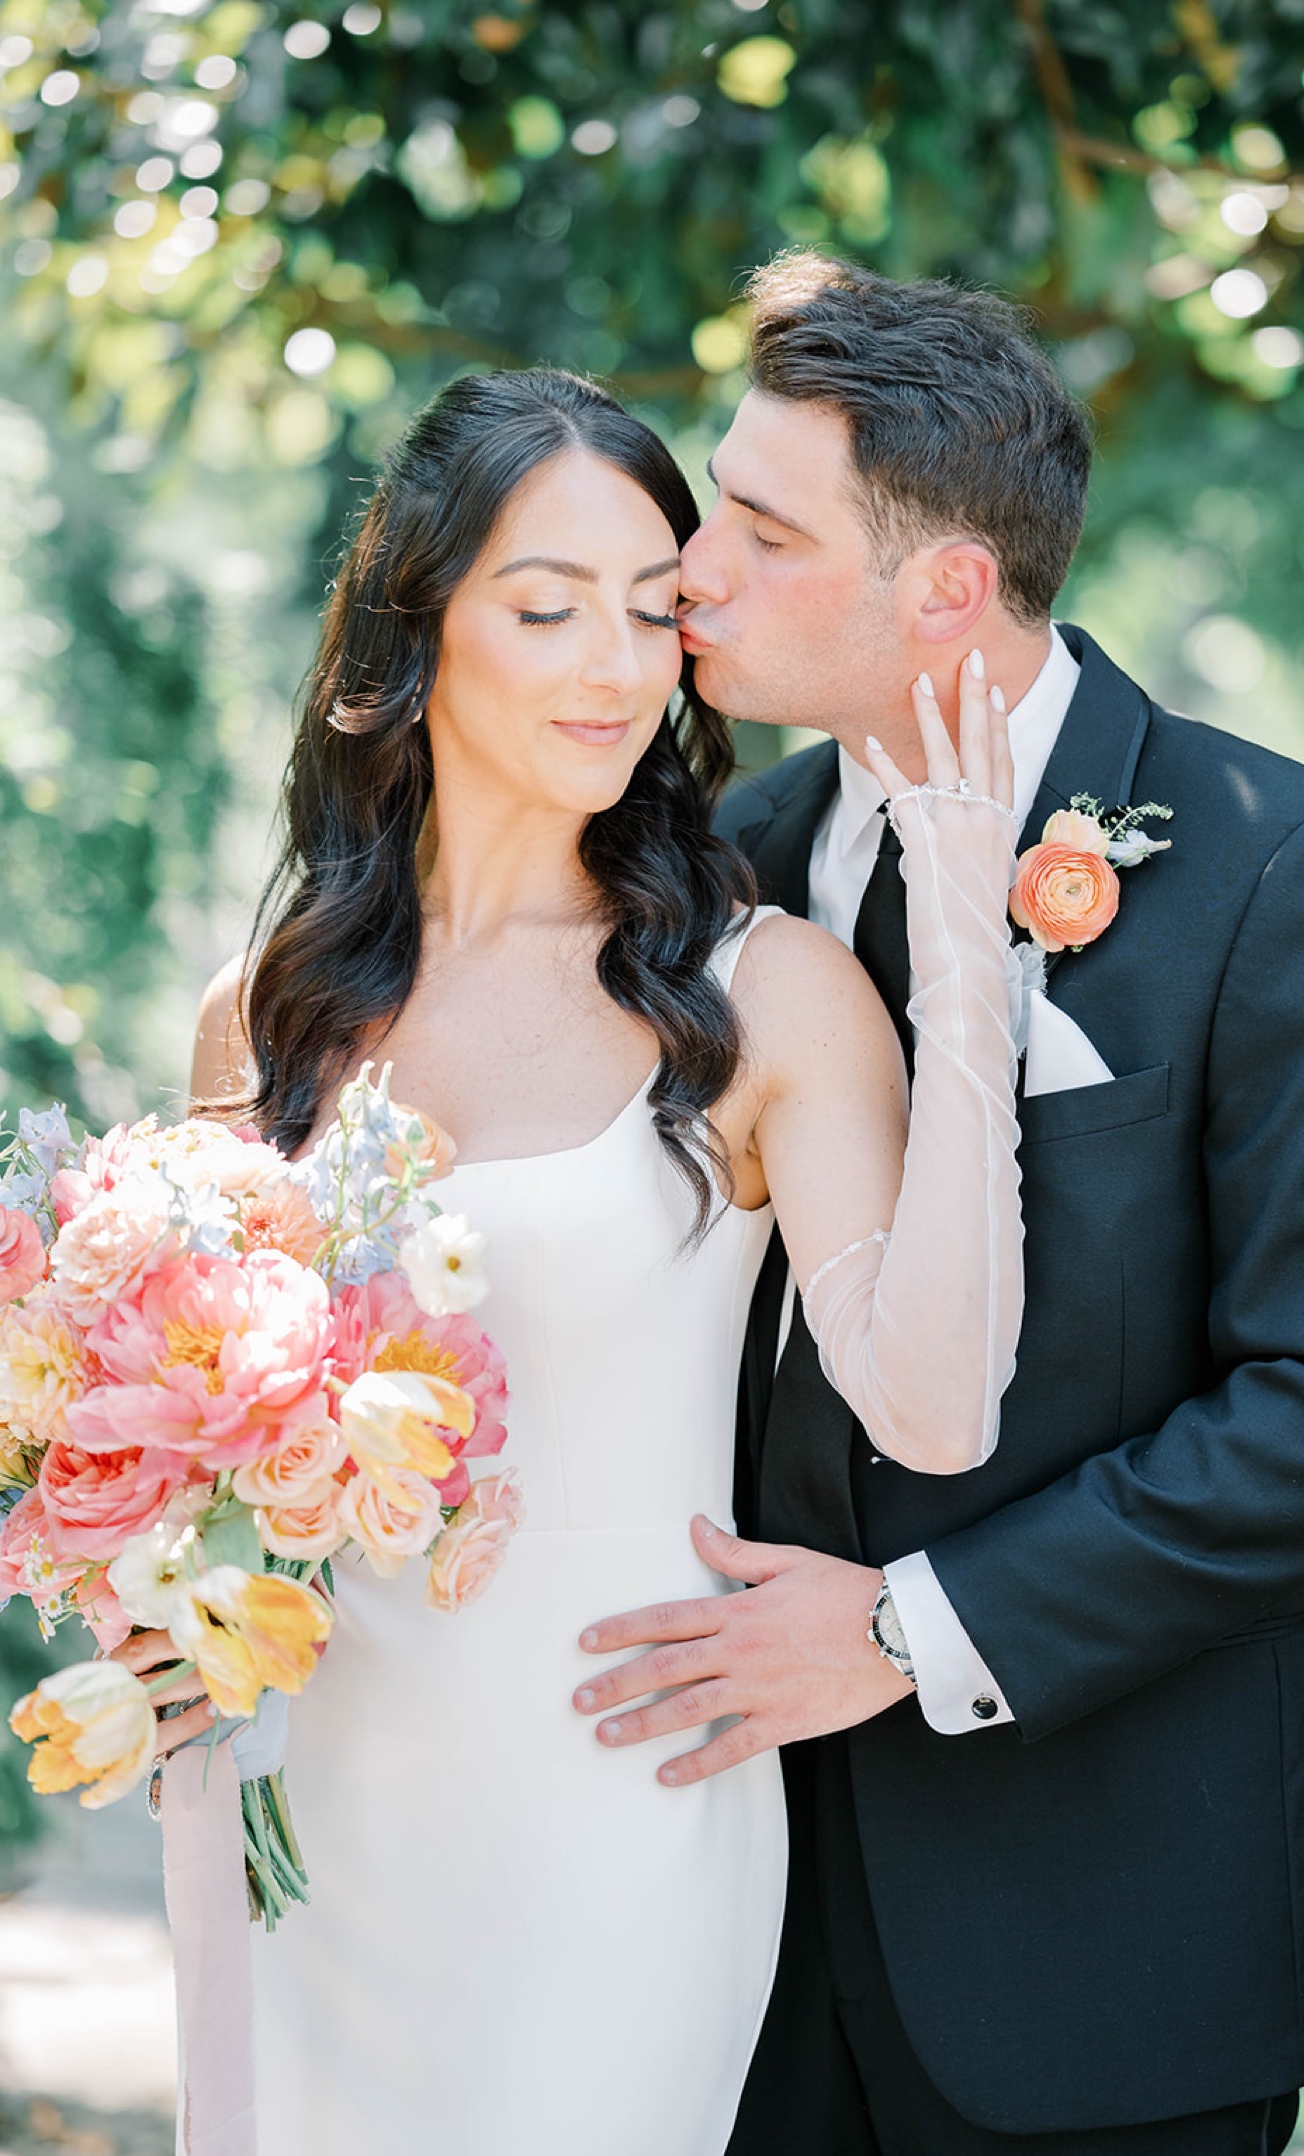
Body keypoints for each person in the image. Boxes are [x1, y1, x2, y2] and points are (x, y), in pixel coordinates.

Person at [572, 254, 1304, 2156]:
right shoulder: (725, 869)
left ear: (945, 589)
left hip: (1110, 1928)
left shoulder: (1277, 868)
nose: (689, 568)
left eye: (757, 523)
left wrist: (905, 1631)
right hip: (727, 1913)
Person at [157, 364, 1027, 2156]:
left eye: (654, 612)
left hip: (621, 1778)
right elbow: (188, 1444)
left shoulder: (759, 989)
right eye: (548, 610)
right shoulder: (268, 1019)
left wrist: (958, 935)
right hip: (307, 1782)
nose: (618, 668)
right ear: (411, 639)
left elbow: (936, 1411)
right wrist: (158, 1601)